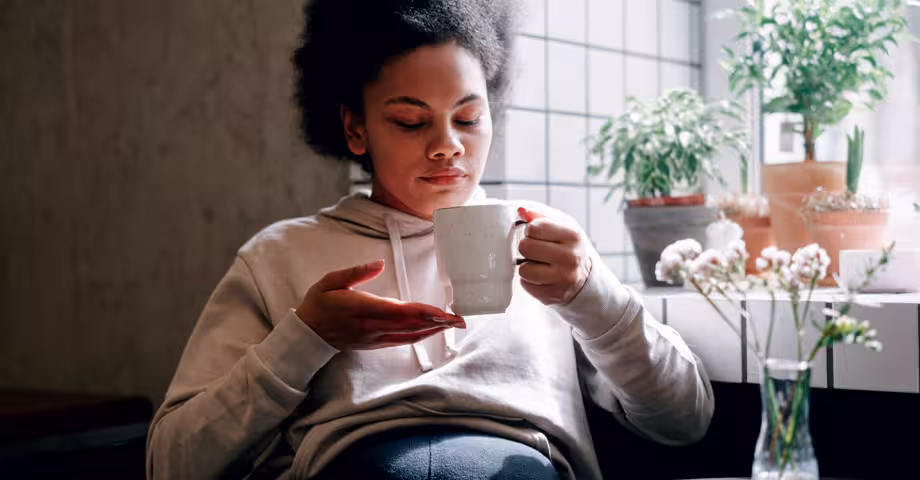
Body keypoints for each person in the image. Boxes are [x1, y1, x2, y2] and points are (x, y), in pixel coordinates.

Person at [145, 0, 714, 478]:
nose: (448, 146)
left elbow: (685, 420)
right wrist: (307, 338)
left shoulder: (546, 244)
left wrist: (594, 297)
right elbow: (170, 463)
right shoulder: (280, 257)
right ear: (355, 128)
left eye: (467, 119)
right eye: (412, 122)